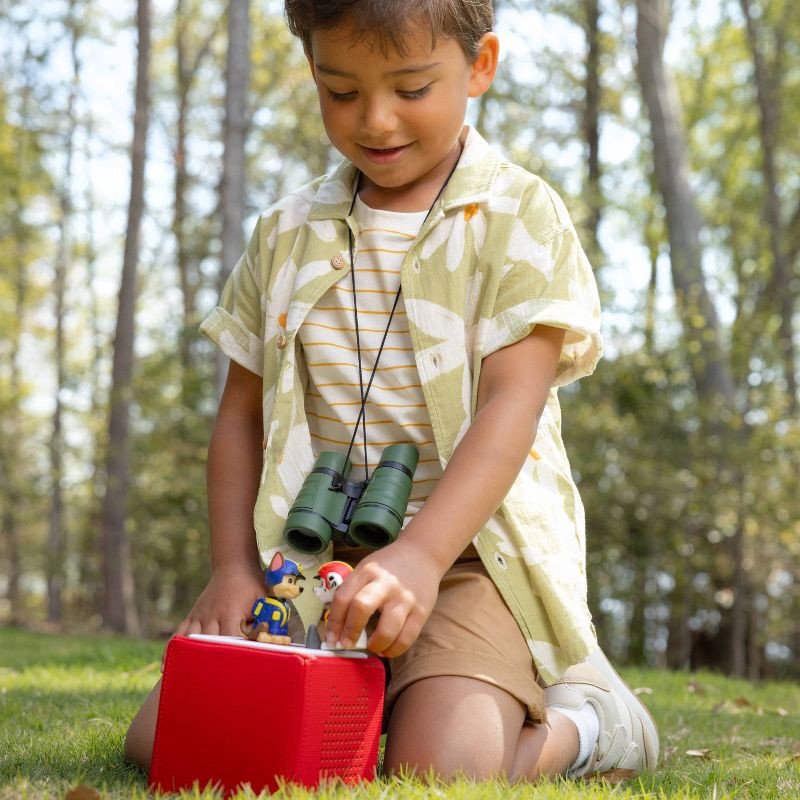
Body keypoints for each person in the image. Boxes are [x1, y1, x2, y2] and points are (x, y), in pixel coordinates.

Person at [125, 0, 659, 781]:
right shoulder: (284, 233)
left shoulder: (518, 215)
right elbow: (239, 416)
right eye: (341, 91)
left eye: (412, 89)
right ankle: (372, 708)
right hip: (310, 555)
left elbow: (511, 405)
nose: (375, 120)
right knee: (170, 742)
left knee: (443, 769)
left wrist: (421, 554)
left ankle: (592, 726)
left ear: (479, 66)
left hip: (467, 555)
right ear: (313, 69)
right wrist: (233, 566)